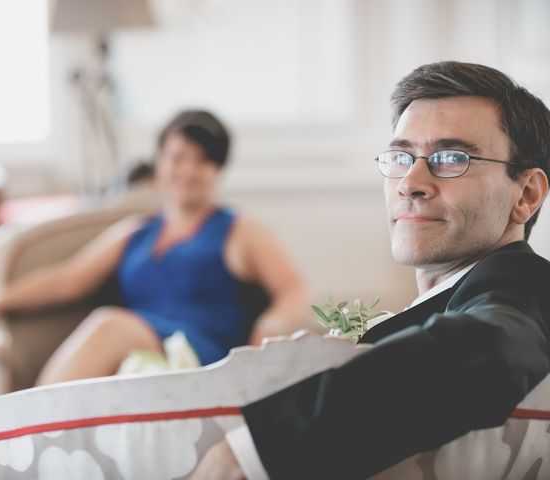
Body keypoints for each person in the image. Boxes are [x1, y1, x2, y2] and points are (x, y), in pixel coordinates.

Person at [191, 61, 550, 479]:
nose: (410, 181)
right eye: (401, 156)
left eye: (451, 158)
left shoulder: (518, 287)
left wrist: (256, 453)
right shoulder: (456, 300)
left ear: (525, 194)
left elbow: (489, 348)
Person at [0, 110, 308, 390]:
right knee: (112, 348)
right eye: (178, 157)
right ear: (161, 163)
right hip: (139, 358)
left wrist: (271, 325)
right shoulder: (136, 232)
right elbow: (65, 280)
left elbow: (294, 290)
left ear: (217, 169)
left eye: (203, 160)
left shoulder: (239, 230)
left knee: (108, 326)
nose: (188, 170)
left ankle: (28, 434)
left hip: (199, 355)